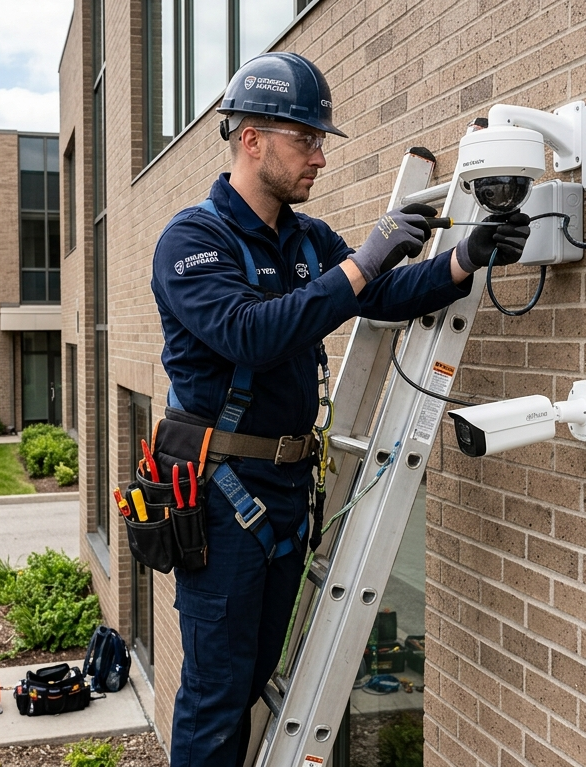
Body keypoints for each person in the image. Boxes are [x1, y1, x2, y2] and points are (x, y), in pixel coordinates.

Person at [150, 51, 530, 767]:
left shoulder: (305, 239)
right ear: (252, 138)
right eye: (307, 138)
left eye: (323, 140)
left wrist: (465, 258)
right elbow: (250, 334)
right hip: (226, 502)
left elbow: (379, 297)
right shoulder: (192, 240)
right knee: (215, 693)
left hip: (288, 494)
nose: (320, 156)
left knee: (254, 676)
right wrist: (364, 261)